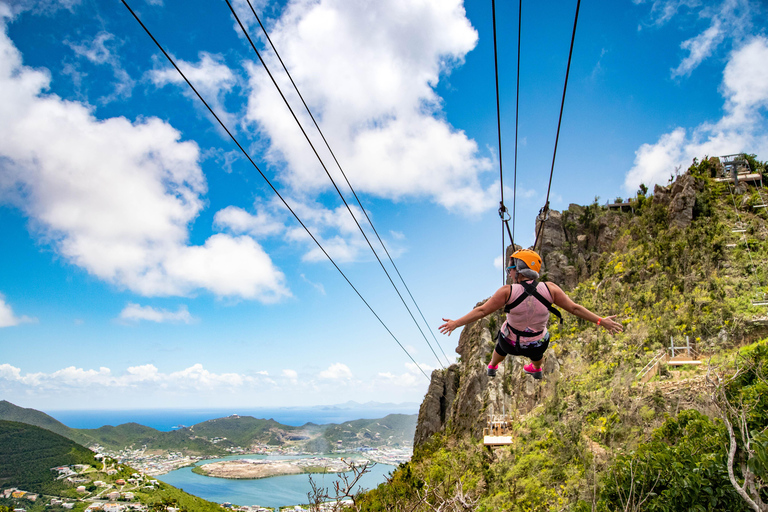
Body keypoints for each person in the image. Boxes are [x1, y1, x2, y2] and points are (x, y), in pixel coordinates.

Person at [439, 249, 623, 379]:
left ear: (519, 271)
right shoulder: (551, 289)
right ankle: (535, 368)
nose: (509, 273)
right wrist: (601, 321)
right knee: (538, 352)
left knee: (500, 348)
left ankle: (493, 366)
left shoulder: (506, 291)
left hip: (510, 342)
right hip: (536, 344)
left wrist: (456, 323)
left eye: (510, 270)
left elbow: (482, 311)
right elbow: (574, 308)